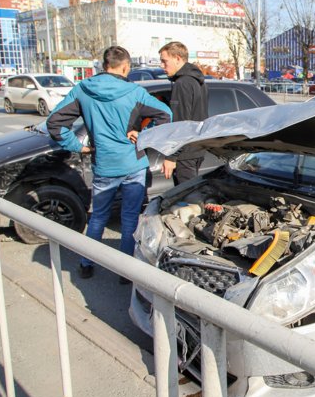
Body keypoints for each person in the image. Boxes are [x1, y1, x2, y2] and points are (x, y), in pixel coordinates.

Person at [47, 46, 172, 281]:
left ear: (104, 65)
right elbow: (166, 115)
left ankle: (86, 263)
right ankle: (125, 270)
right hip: (133, 164)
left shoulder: (83, 89)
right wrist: (143, 136)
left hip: (104, 163)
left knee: (99, 216)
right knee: (130, 218)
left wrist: (77, 146)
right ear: (125, 67)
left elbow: (54, 122)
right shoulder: (135, 92)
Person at [158, 41, 209, 185]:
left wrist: (171, 157)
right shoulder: (197, 81)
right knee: (191, 194)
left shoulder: (183, 83)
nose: (162, 66)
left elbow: (181, 123)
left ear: (178, 59)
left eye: (164, 61)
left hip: (185, 153)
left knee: (186, 199)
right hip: (196, 147)